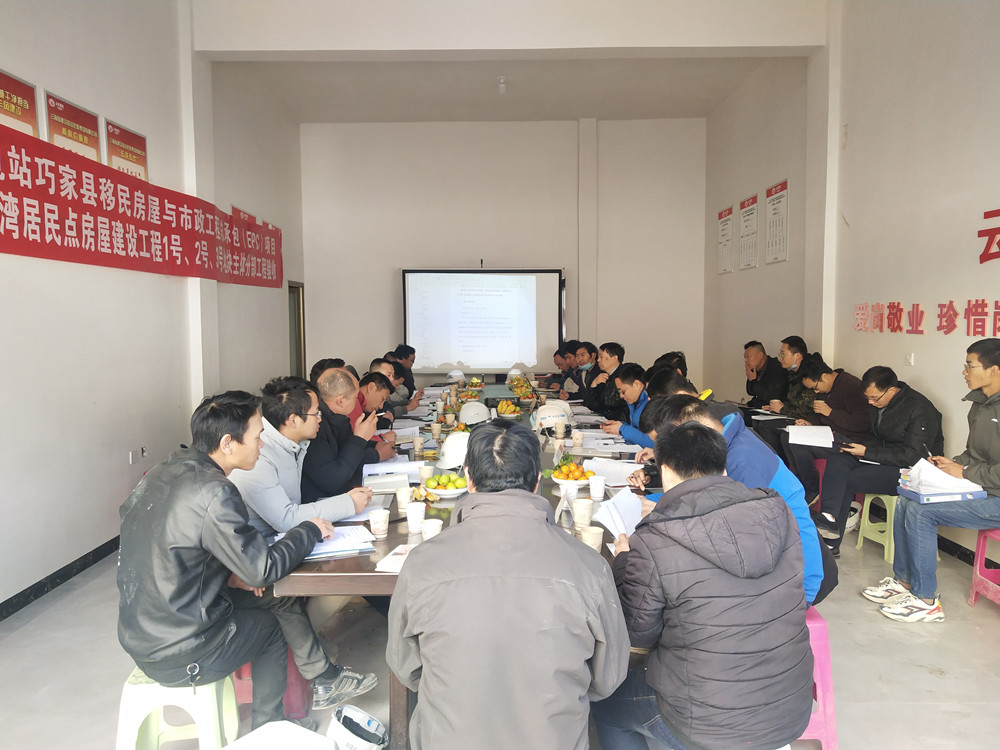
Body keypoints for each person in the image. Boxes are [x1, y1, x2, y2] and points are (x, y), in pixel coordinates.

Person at [117, 391, 373, 729]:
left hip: (146, 630)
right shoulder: (214, 491)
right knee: (269, 628)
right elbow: (262, 570)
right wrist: (309, 529)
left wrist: (228, 574)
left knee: (275, 596)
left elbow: (175, 547)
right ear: (227, 443)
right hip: (183, 649)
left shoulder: (167, 469)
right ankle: (270, 729)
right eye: (257, 437)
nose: (261, 445)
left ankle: (324, 678)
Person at [387, 419, 629, 750]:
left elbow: (406, 668)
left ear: (468, 478)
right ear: (538, 481)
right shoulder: (590, 567)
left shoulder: (421, 563)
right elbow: (607, 678)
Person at [592, 422, 813, 750]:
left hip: (707, 722)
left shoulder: (656, 537)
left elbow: (636, 635)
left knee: (606, 703)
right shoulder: (777, 511)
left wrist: (624, 561)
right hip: (790, 708)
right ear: (722, 466)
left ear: (665, 471)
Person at [630, 394, 834, 605]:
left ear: (690, 432)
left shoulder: (742, 464)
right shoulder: (729, 441)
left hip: (796, 583)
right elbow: (697, 494)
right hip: (772, 564)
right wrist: (647, 500)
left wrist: (664, 513)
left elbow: (730, 538)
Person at [863, 338, 1000, 623]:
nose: (964, 371)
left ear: (994, 369)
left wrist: (964, 472)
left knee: (922, 512)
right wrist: (951, 464)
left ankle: (927, 601)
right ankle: (904, 581)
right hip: (979, 487)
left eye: (970, 365)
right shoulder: (979, 404)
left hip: (994, 497)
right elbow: (974, 454)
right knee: (906, 498)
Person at [812, 366, 944, 554]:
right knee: (838, 460)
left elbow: (913, 456)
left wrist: (867, 452)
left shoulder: (920, 409)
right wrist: (856, 447)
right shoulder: (879, 403)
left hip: (911, 471)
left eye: (874, 398)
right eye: (867, 398)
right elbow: (879, 438)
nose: (870, 403)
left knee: (850, 478)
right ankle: (829, 519)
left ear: (892, 390)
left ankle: (831, 543)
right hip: (884, 458)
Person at [229, 376, 373, 537]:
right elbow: (286, 519)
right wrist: (348, 503)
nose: (320, 419)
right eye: (316, 413)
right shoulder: (257, 455)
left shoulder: (292, 444)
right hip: (265, 544)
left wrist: (348, 500)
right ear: (293, 420)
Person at [783, 353, 872, 510]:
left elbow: (862, 423)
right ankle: (799, 484)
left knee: (798, 443)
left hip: (850, 440)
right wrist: (809, 422)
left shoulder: (851, 387)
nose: (816, 392)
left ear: (824, 376)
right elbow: (819, 415)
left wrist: (831, 412)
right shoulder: (827, 387)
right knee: (787, 436)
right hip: (828, 434)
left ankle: (812, 488)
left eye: (815, 388)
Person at [301, 368, 380, 501]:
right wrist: (360, 438)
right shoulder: (314, 427)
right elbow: (332, 480)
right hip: (321, 502)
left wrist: (370, 445)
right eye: (355, 398)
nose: (358, 403)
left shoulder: (336, 419)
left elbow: (347, 455)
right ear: (340, 400)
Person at [601, 362, 652, 449]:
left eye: (623, 392)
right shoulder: (634, 401)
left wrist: (622, 429)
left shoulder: (651, 402)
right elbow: (636, 428)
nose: (621, 396)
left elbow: (652, 442)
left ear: (637, 384)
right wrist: (619, 425)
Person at [587, 341, 629, 422]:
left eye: (601, 357)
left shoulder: (624, 375)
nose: (598, 360)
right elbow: (592, 405)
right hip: (607, 420)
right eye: (598, 357)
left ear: (615, 358)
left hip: (620, 421)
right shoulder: (602, 375)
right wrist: (593, 385)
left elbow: (610, 403)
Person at [744, 339, 788, 407]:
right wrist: (751, 379)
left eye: (748, 357)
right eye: (745, 358)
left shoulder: (777, 368)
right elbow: (751, 392)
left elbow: (769, 397)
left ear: (760, 355)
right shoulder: (757, 369)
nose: (746, 361)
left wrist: (753, 381)